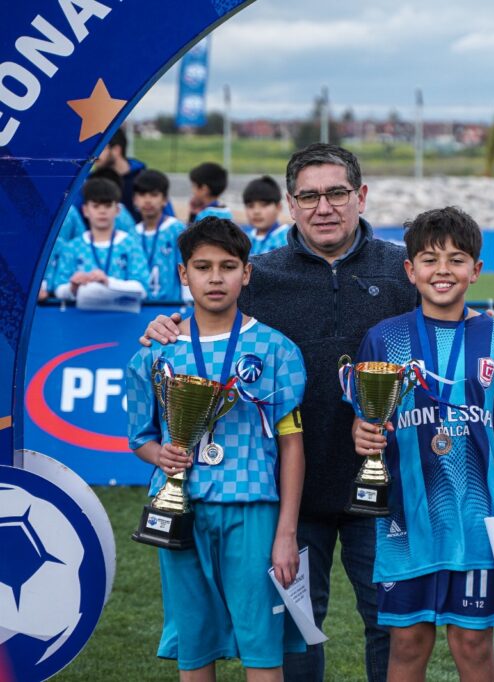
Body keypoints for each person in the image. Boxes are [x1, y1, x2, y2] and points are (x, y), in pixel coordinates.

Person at [143, 144, 494, 681]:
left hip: (388, 490)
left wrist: (489, 326)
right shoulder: (262, 274)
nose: (325, 207)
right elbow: (215, 323)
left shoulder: (404, 267)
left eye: (337, 193)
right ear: (292, 203)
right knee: (296, 633)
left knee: (392, 631)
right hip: (290, 490)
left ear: (361, 196)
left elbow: (450, 314)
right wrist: (170, 327)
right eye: (309, 196)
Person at [352, 207, 494, 681]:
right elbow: (365, 421)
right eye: (429, 259)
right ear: (410, 270)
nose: (442, 270)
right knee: (406, 642)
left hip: (477, 523)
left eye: (456, 259)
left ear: (476, 271)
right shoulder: (384, 339)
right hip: (405, 523)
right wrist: (361, 433)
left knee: (473, 644)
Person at [127, 216, 306, 679]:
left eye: (227, 266)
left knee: (263, 648)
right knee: (195, 645)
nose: (215, 277)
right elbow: (142, 439)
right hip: (179, 510)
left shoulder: (276, 350)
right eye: (202, 267)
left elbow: (291, 445)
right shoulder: (154, 351)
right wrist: (159, 456)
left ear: (246, 273)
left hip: (254, 508)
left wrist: (286, 531)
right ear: (183, 274)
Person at [52, 176, 149, 304]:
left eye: (108, 206)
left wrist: (108, 282)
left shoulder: (130, 245)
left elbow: (142, 289)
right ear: (85, 210)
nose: (102, 211)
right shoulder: (73, 247)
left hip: (123, 319)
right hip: (80, 319)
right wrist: (72, 288)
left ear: (117, 210)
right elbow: (57, 288)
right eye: (96, 206)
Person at [133, 169, 186, 302]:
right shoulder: (131, 235)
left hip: (171, 307)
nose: (148, 200)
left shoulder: (177, 230)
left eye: (154, 194)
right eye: (142, 194)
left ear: (165, 200)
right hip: (140, 308)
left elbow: (188, 269)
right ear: (135, 200)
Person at [242, 175, 289, 256]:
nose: (256, 211)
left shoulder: (288, 239)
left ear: (278, 207)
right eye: (250, 206)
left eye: (263, 205)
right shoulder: (244, 238)